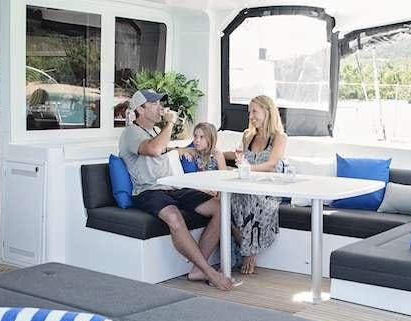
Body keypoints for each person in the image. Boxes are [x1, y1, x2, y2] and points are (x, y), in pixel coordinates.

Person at [119, 90, 235, 290]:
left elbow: (161, 151)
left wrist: (180, 150)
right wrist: (170, 123)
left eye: (159, 103)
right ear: (140, 109)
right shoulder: (131, 132)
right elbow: (154, 149)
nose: (160, 108)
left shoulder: (154, 132)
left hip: (173, 187)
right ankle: (209, 272)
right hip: (149, 191)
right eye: (154, 104)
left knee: (220, 208)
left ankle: (198, 269)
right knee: (174, 217)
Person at [230, 95, 287, 275]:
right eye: (249, 112)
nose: (251, 116)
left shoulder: (279, 137)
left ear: (267, 112)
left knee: (251, 200)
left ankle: (249, 251)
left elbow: (271, 164)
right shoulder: (248, 136)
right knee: (225, 201)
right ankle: (248, 247)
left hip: (269, 190)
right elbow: (238, 157)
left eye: (255, 111)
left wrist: (247, 169)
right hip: (247, 187)